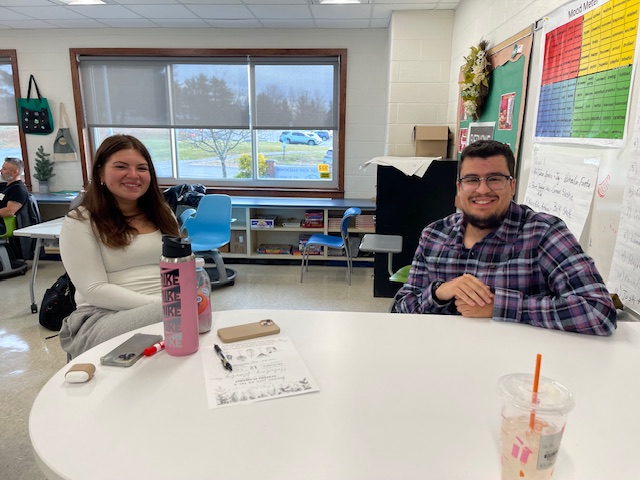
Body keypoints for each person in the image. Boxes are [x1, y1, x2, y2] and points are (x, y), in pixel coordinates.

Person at [392, 139, 616, 336]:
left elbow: (599, 311)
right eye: (471, 180)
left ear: (512, 186)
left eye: (495, 179)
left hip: (520, 366)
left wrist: (499, 305)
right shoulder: (435, 235)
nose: (482, 190)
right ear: (459, 188)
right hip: (445, 358)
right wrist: (440, 292)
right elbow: (400, 309)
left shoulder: (544, 233)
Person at [59, 135, 180, 358]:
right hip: (101, 316)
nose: (133, 175)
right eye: (121, 167)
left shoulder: (163, 214)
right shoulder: (80, 221)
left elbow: (178, 268)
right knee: (186, 312)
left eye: (142, 168)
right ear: (100, 173)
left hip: (165, 308)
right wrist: (166, 305)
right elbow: (94, 290)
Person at [0, 157, 28, 235]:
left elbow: (10, 211)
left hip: (3, 225)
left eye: (4, 169)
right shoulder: (4, 186)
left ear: (15, 172)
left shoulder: (18, 189)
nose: (1, 171)